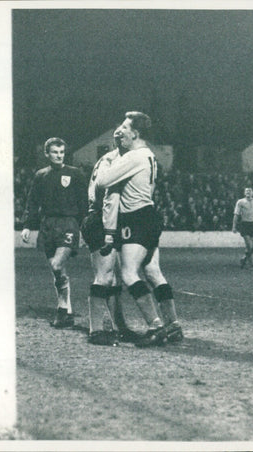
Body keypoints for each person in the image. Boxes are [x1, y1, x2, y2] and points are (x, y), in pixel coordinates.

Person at [94, 111, 182, 347]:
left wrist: (106, 161)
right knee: (153, 272)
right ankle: (173, 325)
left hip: (136, 218)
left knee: (129, 273)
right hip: (150, 215)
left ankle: (156, 326)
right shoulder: (149, 155)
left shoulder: (135, 157)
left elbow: (102, 182)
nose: (120, 130)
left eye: (125, 126)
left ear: (136, 133)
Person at [20, 137, 88, 328]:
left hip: (69, 223)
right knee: (56, 270)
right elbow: (32, 202)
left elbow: (84, 203)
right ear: (47, 154)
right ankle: (67, 310)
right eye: (55, 152)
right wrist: (27, 225)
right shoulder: (41, 175)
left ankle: (61, 309)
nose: (59, 155)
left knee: (58, 264)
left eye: (61, 152)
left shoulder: (75, 174)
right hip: (48, 225)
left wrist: (84, 228)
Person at [81, 141, 134, 346]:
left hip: (103, 219)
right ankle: (96, 330)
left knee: (114, 279)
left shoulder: (109, 159)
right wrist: (110, 232)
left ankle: (119, 327)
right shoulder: (114, 162)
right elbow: (108, 197)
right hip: (101, 221)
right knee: (104, 276)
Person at [232, 187, 253, 269]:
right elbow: (236, 214)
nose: (248, 192)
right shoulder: (240, 202)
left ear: (252, 193)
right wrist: (234, 226)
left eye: (250, 191)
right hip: (244, 224)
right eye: (246, 191)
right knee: (249, 245)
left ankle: (244, 258)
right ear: (244, 193)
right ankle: (250, 264)